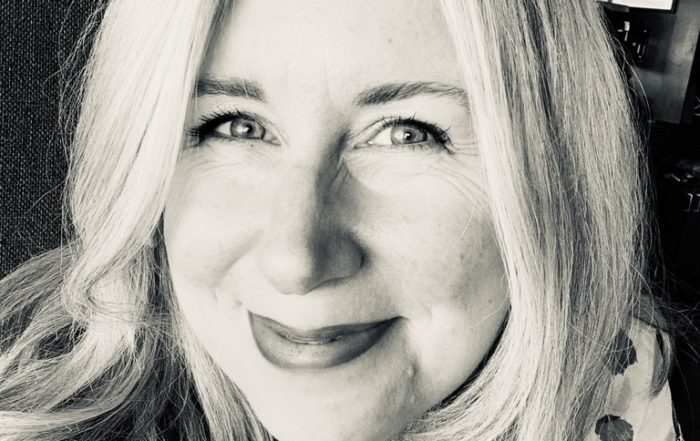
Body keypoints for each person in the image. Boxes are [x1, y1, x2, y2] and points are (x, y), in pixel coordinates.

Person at [0, 1, 681, 440]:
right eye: (236, 126)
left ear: (557, 177)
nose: (295, 259)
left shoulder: (638, 390)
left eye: (408, 133)